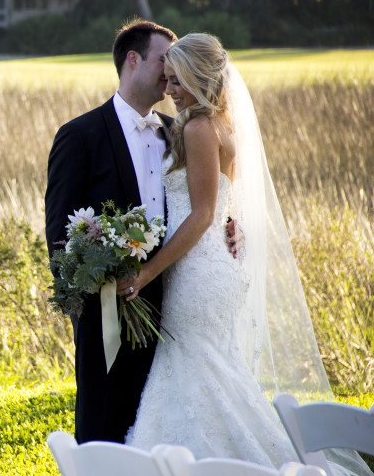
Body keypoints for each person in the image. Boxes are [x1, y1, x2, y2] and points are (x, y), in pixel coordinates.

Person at [119, 33, 372, 475]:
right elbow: (221, 209)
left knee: (196, 372)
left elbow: (200, 217)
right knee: (214, 374)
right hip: (209, 268)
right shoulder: (219, 126)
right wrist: (232, 227)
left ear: (199, 79)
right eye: (168, 79)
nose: (170, 90)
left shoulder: (197, 129)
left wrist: (144, 274)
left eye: (178, 82)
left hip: (196, 272)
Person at [45, 20, 241, 444]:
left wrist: (228, 225)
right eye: (161, 61)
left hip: (174, 300)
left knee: (163, 423)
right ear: (132, 61)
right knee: (103, 425)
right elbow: (60, 234)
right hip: (109, 309)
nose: (168, 74)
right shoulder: (79, 136)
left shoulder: (181, 131)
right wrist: (93, 289)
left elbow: (201, 204)